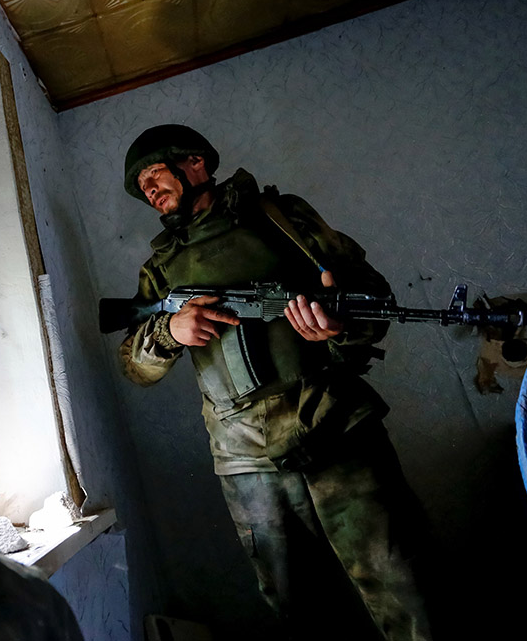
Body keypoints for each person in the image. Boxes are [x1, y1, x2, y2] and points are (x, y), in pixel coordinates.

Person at [118, 124, 434, 640]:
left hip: (333, 427)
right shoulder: (159, 271)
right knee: (298, 608)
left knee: (405, 587)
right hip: (245, 458)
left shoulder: (281, 217)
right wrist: (169, 331)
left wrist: (337, 325)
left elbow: (369, 296)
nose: (150, 190)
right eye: (143, 188)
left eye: (155, 174)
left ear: (196, 163)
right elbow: (134, 366)